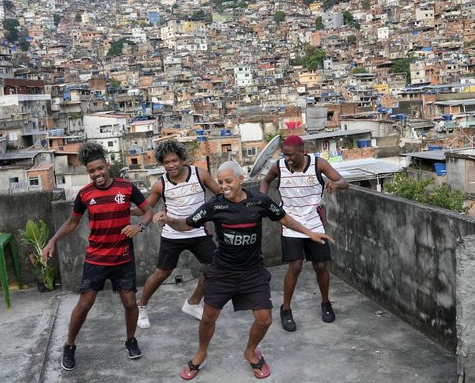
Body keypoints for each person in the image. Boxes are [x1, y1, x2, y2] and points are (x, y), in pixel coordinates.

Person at [154, 161, 332, 380]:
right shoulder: (215, 205)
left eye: (228, 181)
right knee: (208, 317)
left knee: (265, 319)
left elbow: (284, 218)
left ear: (240, 179)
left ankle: (250, 351)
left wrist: (309, 233)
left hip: (252, 271)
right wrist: (170, 219)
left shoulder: (260, 201)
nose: (223, 186)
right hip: (223, 271)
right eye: (220, 182)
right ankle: (201, 354)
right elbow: (187, 224)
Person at [42, 142, 153, 371]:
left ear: (107, 165)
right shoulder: (85, 195)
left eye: (100, 168)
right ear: (88, 172)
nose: (97, 174)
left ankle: (131, 340)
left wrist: (139, 227)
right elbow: (72, 222)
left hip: (123, 257)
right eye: (92, 171)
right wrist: (53, 240)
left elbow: (148, 211)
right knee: (84, 304)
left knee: (130, 303)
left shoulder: (127, 188)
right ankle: (69, 346)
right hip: (96, 258)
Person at [260, 135, 348, 330]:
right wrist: (262, 200)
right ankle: (286, 309)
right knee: (296, 266)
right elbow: (266, 181)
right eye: (285, 154)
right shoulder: (279, 167)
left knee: (320, 265)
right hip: (290, 223)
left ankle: (325, 303)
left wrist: (336, 184)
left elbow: (344, 182)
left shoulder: (319, 164)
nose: (287, 158)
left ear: (302, 152)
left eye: (291, 155)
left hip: (314, 223)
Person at [133, 140, 220, 329]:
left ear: (182, 159)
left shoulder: (200, 175)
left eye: (174, 161)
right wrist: (125, 210)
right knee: (161, 274)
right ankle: (141, 307)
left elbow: (220, 195)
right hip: (172, 235)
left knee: (215, 269)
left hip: (198, 232)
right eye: (167, 162)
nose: (171, 165)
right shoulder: (160, 185)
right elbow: (145, 208)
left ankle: (193, 303)